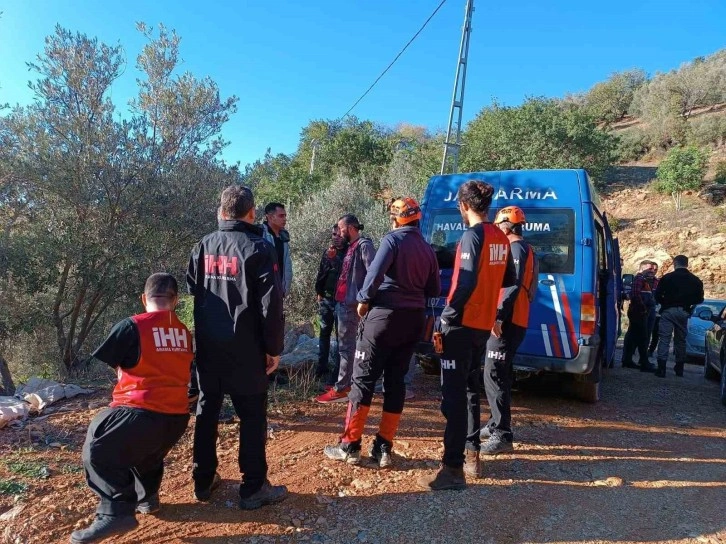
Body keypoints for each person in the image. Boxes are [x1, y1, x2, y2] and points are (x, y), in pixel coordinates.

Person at [71, 274, 193, 544]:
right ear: (176, 301)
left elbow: (112, 362)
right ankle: (147, 497)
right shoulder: (184, 331)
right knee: (147, 451)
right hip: (176, 418)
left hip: (142, 410)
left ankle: (115, 512)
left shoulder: (132, 326)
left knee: (98, 444)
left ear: (143, 298)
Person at [187, 185, 287, 510]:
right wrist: (274, 348)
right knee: (253, 417)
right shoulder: (258, 248)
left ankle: (203, 481)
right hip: (246, 349)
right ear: (251, 213)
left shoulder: (204, 246)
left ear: (221, 212)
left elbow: (192, 288)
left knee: (207, 411)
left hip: (209, 349)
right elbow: (271, 306)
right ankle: (253, 487)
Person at [323, 198, 440, 467]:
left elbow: (373, 275)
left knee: (362, 379)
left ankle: (349, 446)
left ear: (397, 218)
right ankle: (384, 448)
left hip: (383, 318)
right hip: (413, 320)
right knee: (396, 382)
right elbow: (433, 289)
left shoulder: (393, 240)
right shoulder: (427, 248)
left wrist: (364, 300)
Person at [417, 181, 515, 491]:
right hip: (480, 328)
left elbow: (466, 281)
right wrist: (496, 314)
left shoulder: (472, 236)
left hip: (460, 326)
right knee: (470, 391)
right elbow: (510, 281)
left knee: (453, 398)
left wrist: (448, 315)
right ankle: (472, 457)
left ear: (463, 206)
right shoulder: (501, 236)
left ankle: (452, 470)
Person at [479, 206, 535, 457]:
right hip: (515, 318)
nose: (497, 229)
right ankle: (494, 424)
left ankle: (502, 433)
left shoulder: (515, 247)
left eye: (499, 225)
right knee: (500, 372)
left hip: (508, 320)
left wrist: (499, 315)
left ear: (507, 225)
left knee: (494, 373)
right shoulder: (524, 248)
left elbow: (512, 285)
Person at [315, 214, 375, 403]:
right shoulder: (351, 247)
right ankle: (346, 384)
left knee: (347, 348)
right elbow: (345, 272)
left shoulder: (364, 245)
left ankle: (343, 387)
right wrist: (332, 259)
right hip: (343, 302)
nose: (339, 234)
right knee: (346, 347)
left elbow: (373, 272)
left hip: (351, 304)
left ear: (350, 228)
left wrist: (364, 299)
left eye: (341, 230)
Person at [653, 255, 704, 378]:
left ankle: (661, 368)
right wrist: (690, 308)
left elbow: (657, 294)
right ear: (687, 264)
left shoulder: (667, 278)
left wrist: (664, 304)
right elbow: (700, 299)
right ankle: (679, 368)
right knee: (680, 340)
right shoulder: (695, 280)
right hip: (684, 312)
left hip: (668, 311)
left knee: (664, 339)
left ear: (674, 263)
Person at [314, 224, 347, 381]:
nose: (335, 237)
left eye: (339, 234)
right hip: (326, 299)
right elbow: (322, 272)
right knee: (324, 333)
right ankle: (321, 367)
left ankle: (338, 372)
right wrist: (319, 291)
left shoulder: (349, 253)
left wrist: (334, 258)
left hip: (341, 301)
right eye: (334, 234)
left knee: (341, 336)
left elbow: (345, 272)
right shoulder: (328, 252)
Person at [621, 260, 658, 372]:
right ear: (642, 268)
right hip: (639, 313)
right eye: (649, 269)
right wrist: (644, 309)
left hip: (640, 312)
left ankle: (628, 360)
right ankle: (643, 363)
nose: (651, 271)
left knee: (635, 336)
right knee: (642, 337)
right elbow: (635, 295)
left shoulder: (645, 281)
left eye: (653, 269)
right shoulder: (639, 279)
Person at [261, 202, 293, 298]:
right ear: (270, 217)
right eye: (281, 216)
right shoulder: (259, 235)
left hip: (279, 292)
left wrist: (285, 290)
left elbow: (286, 264)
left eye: (285, 216)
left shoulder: (284, 237)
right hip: (263, 293)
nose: (284, 219)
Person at [647, 262, 661, 357]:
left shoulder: (659, 282)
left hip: (657, 311)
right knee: (645, 331)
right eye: (652, 269)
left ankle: (651, 351)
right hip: (645, 310)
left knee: (656, 333)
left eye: (655, 270)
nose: (653, 271)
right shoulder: (642, 280)